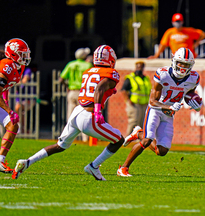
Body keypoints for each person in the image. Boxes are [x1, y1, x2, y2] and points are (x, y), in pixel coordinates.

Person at [12, 45, 125, 181]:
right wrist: (98, 111)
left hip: (78, 111)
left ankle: (27, 162)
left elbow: (96, 88)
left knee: (60, 146)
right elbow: (99, 88)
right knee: (119, 140)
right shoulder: (111, 73)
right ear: (111, 60)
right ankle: (94, 166)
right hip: (89, 115)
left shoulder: (88, 71)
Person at [117, 47, 203, 177]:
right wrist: (169, 107)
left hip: (169, 114)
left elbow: (189, 93)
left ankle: (138, 133)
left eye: (186, 64)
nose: (183, 67)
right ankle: (123, 168)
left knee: (161, 151)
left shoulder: (194, 78)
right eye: (181, 63)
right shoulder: (163, 74)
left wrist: (195, 102)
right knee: (147, 140)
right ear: (174, 61)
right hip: (156, 110)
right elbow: (152, 101)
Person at [0, 38, 31, 173]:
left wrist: (6, 104)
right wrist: (9, 110)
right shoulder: (6, 65)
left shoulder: (20, 67)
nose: (25, 57)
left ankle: (0, 160)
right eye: (21, 54)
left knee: (13, 125)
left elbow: (5, 88)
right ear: (13, 53)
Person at [60, 47, 93, 142]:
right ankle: (85, 138)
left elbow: (61, 79)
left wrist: (68, 86)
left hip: (72, 91)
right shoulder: (87, 65)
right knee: (83, 115)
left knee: (70, 115)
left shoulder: (71, 64)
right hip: (83, 93)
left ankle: (66, 137)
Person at [121, 61, 152, 136]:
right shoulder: (130, 78)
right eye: (138, 67)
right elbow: (124, 90)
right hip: (134, 103)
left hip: (144, 103)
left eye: (141, 67)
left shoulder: (146, 78)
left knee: (142, 122)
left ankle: (139, 140)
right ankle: (128, 138)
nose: (139, 69)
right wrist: (128, 100)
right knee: (134, 121)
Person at [14, 66, 36, 133]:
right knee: (21, 112)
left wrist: (14, 83)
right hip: (19, 99)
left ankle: (21, 127)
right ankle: (23, 129)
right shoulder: (14, 69)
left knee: (18, 108)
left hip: (29, 99)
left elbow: (25, 80)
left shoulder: (27, 70)